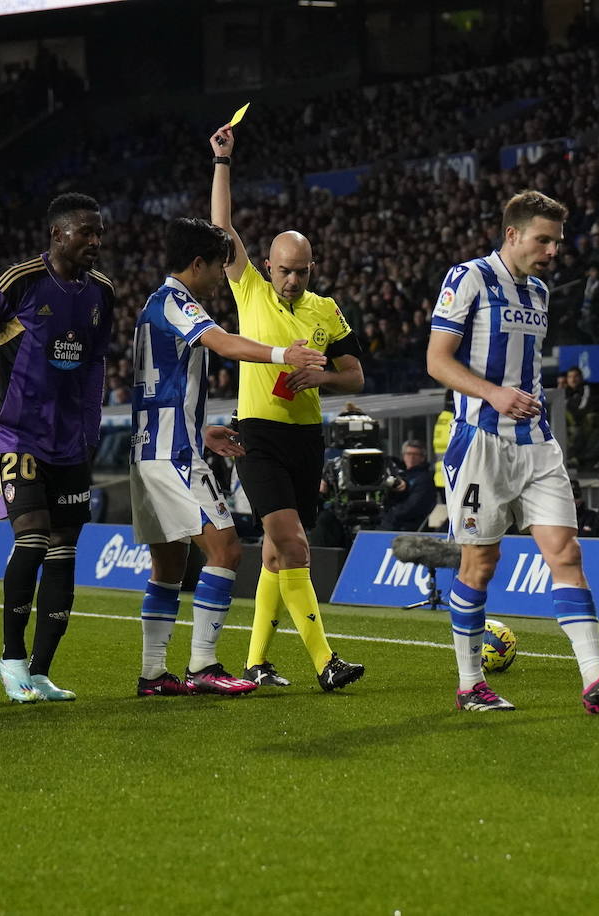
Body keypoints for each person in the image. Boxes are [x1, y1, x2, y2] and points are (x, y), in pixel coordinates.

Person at [426, 188, 599, 713]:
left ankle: (596, 680)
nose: (552, 251)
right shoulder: (469, 277)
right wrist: (494, 393)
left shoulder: (540, 292)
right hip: (480, 442)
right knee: (481, 563)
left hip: (537, 444)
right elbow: (437, 360)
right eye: (544, 240)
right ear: (512, 234)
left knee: (567, 554)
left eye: (557, 242)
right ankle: (469, 684)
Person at [130, 216, 327, 697]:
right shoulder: (178, 302)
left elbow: (165, 384)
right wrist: (284, 355)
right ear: (197, 264)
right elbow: (224, 342)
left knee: (170, 564)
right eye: (218, 266)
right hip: (172, 455)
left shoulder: (155, 305)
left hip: (153, 447)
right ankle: (203, 666)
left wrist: (202, 429)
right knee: (227, 549)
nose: (223, 275)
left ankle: (154, 674)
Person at [209, 124, 366, 691]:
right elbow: (221, 228)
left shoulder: (327, 310)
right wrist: (223, 162)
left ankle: (255, 661)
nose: (291, 278)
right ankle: (326, 662)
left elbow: (356, 374)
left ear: (312, 268)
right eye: (283, 269)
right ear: (268, 267)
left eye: (301, 270)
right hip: (257, 436)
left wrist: (321, 375)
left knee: (278, 553)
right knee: (294, 541)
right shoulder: (248, 289)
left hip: (305, 439)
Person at [0, 192, 115, 704]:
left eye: (99, 232)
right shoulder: (19, 281)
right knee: (33, 539)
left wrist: (91, 430)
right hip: (18, 433)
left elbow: (96, 364)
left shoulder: (101, 292)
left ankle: (40, 671)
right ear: (58, 234)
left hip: (69, 444)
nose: (95, 242)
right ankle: (11, 659)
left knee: (65, 549)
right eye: (86, 232)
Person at [380, 439, 436, 532]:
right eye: (408, 454)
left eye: (415, 454)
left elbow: (413, 507)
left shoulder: (425, 479)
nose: (411, 457)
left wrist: (389, 513)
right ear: (403, 456)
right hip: (393, 522)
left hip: (406, 527)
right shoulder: (400, 474)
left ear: (422, 458)